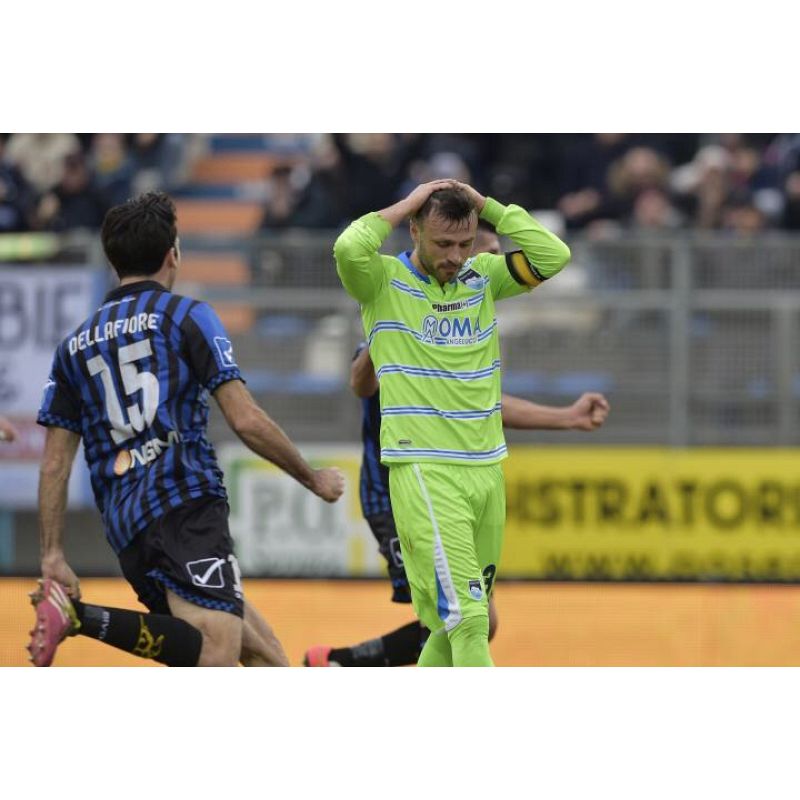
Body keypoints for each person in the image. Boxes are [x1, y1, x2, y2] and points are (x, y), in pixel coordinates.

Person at [29, 191, 345, 667]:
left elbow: (55, 462)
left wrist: (52, 553)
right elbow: (245, 418)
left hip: (128, 525)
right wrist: (313, 477)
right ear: (172, 253)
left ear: (114, 262)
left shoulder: (73, 347)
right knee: (216, 652)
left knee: (266, 656)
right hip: (185, 504)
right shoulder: (187, 315)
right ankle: (78, 617)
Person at [308, 222, 608, 666]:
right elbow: (360, 383)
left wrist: (566, 417)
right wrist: (389, 334)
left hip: (460, 476)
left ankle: (336, 662)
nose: (478, 262)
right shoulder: (397, 303)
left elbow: (486, 403)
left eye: (483, 252)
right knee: (466, 617)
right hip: (401, 487)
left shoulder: (468, 305)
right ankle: (340, 662)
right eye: (478, 252)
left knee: (465, 619)